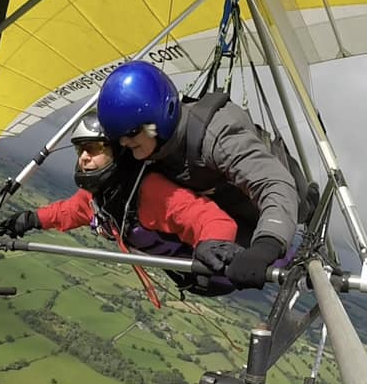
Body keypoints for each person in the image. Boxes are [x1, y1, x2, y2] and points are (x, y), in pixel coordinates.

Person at [95, 61, 302, 290]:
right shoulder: (148, 146)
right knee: (214, 270)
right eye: (118, 136)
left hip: (278, 201)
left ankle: (301, 214)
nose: (124, 142)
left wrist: (267, 245)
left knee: (278, 233)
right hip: (233, 207)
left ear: (161, 118)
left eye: (132, 133)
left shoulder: (217, 136)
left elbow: (274, 183)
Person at [0, 111, 247, 297]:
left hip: (224, 268)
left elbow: (209, 218)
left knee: (281, 261)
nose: (83, 157)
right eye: (80, 151)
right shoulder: (103, 195)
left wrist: (215, 244)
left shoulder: (150, 190)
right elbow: (69, 211)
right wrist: (30, 219)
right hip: (194, 277)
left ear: (117, 151)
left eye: (92, 148)